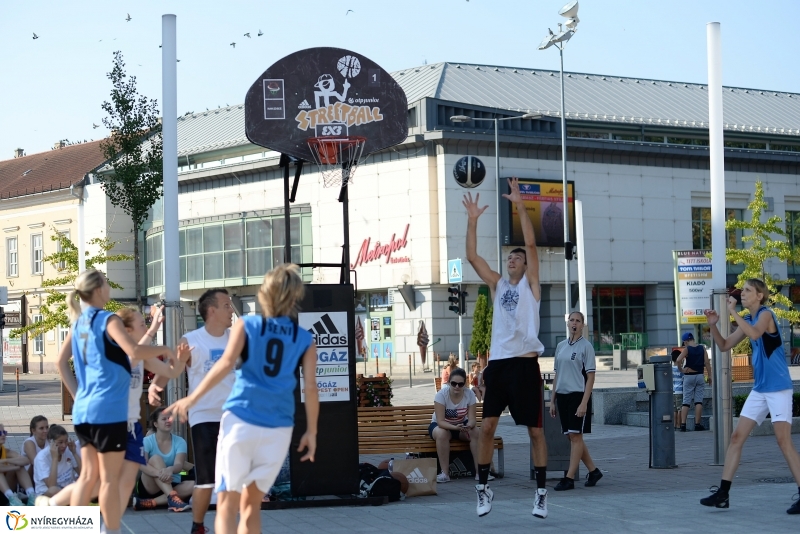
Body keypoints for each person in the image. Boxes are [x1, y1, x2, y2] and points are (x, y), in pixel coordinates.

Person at [165, 264, 319, 534]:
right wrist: (312, 432)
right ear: (295, 297)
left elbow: (224, 364)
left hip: (241, 420)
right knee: (252, 508)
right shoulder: (304, 338)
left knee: (227, 505)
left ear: (264, 294)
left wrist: (191, 399)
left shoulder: (248, 325)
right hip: (279, 428)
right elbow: (311, 388)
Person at [57, 268, 175, 534]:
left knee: (88, 477)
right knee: (109, 480)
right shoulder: (107, 319)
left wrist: (78, 395)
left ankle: (77, 529)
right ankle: (110, 531)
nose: (110, 287)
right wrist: (164, 349)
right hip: (109, 411)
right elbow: (133, 350)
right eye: (107, 283)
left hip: (84, 411)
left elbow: (60, 362)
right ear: (99, 289)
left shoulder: (78, 322)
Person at [464, 177, 548, 519]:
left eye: (517, 257)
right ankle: (483, 488)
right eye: (509, 257)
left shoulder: (532, 286)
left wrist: (519, 205)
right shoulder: (498, 285)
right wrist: (472, 220)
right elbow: (471, 256)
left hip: (526, 366)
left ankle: (541, 494)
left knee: (536, 431)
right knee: (486, 428)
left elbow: (530, 242)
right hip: (499, 366)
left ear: (526, 265)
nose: (512, 259)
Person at [699, 279, 800, 514]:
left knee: (783, 442)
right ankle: (723, 494)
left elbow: (755, 335)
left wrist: (733, 311)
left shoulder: (765, 315)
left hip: (778, 388)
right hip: (761, 389)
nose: (742, 293)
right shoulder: (750, 320)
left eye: (747, 291)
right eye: (742, 290)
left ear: (759, 296)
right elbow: (724, 345)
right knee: (736, 437)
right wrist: (713, 324)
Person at [149, 288, 235, 534]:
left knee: (233, 479)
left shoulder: (236, 337)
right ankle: (198, 526)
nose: (231, 310)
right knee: (206, 479)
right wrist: (155, 386)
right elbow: (172, 367)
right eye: (226, 305)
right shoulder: (191, 339)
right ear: (212, 311)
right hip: (204, 416)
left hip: (234, 417)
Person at [115, 306, 190, 513]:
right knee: (97, 481)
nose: (146, 327)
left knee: (122, 481)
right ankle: (53, 508)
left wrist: (180, 359)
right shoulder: (121, 352)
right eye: (141, 324)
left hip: (130, 424)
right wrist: (156, 327)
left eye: (145, 324)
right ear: (127, 331)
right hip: (111, 423)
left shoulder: (141, 355)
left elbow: (170, 371)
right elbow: (135, 352)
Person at [550, 312, 603, 491]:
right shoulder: (561, 346)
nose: (574, 323)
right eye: (572, 320)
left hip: (577, 395)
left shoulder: (586, 347)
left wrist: (584, 403)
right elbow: (557, 374)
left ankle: (569, 478)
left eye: (578, 321)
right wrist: (552, 399)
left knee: (575, 436)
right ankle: (594, 471)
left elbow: (590, 377)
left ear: (582, 325)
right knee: (571, 436)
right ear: (567, 323)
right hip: (563, 396)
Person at [429, 368, 487, 483]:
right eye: (454, 383)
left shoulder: (469, 394)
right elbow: (440, 421)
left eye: (460, 384)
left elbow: (472, 419)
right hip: (441, 425)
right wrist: (456, 428)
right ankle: (445, 473)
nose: (456, 387)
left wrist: (469, 426)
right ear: (449, 382)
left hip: (461, 425)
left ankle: (479, 472)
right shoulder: (441, 395)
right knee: (442, 433)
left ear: (464, 385)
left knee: (476, 432)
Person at [133, 407, 195, 511]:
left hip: (171, 481)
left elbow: (179, 465)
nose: (168, 421)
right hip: (150, 485)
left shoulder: (180, 442)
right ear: (155, 424)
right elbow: (142, 464)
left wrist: (170, 470)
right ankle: (172, 497)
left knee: (194, 485)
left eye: (169, 418)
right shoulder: (146, 441)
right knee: (156, 458)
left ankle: (151, 503)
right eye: (164, 419)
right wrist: (159, 473)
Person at [675, 332, 712, 431]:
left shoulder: (687, 349)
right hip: (700, 375)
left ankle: (683, 425)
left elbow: (678, 360)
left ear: (686, 341)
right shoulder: (702, 348)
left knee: (686, 401)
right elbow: (707, 362)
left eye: (684, 343)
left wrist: (681, 370)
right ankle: (697, 425)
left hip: (689, 376)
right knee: (698, 401)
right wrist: (710, 376)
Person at [33, 425, 80, 498]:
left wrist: (74, 452)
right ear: (50, 441)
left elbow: (82, 473)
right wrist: (54, 458)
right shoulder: (41, 458)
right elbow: (51, 486)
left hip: (67, 489)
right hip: (46, 496)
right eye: (60, 442)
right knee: (53, 490)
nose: (64, 445)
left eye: (66, 441)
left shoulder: (68, 450)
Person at [0, 422, 36, 505]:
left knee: (19, 465)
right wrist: (14, 467)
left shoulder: (5, 451)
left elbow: (26, 460)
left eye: (4, 432)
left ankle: (31, 496)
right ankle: (12, 499)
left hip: (5, 489)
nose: (3, 435)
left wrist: (6, 461)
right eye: (0, 433)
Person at [671, 349, 684, 431]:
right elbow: (684, 379)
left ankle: (674, 424)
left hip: (673, 391)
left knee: (674, 409)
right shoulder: (681, 369)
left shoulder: (670, 369)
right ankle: (679, 424)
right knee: (680, 409)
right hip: (680, 391)